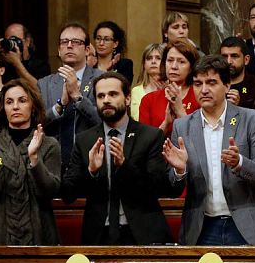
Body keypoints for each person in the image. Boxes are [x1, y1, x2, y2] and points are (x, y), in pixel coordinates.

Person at [162, 55, 255, 246]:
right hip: (202, 228)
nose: (204, 90)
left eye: (211, 82)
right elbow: (172, 188)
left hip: (248, 225)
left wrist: (240, 164)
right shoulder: (182, 126)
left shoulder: (252, 120)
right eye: (197, 84)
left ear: (227, 85)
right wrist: (179, 171)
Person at [61, 72, 175, 245]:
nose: (106, 100)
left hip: (142, 234)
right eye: (101, 96)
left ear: (128, 99)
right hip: (98, 235)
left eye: (113, 94)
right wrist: (91, 171)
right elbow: (67, 194)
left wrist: (124, 165)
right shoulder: (85, 140)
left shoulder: (150, 136)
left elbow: (158, 187)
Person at [0, 79, 61, 245]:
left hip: (39, 233)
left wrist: (34, 158)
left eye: (22, 100)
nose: (15, 106)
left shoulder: (49, 144)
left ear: (33, 106)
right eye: (9, 102)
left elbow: (49, 192)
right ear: (3, 108)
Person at [39, 23, 103, 174]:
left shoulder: (102, 79)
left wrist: (78, 98)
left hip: (91, 163)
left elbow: (106, 122)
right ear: (59, 50)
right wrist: (59, 105)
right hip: (52, 166)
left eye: (76, 42)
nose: (69, 46)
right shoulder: (44, 84)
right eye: (64, 42)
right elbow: (37, 123)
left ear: (87, 50)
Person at [139, 38, 200, 136]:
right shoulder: (148, 100)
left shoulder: (200, 96)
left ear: (191, 68)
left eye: (181, 62)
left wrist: (180, 112)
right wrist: (166, 124)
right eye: (170, 60)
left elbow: (202, 139)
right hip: (159, 151)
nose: (174, 66)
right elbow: (144, 144)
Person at [0, 22, 51, 88]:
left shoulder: (40, 65)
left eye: (15, 39)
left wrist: (17, 63)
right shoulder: (3, 66)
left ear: (27, 41)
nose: (12, 43)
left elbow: (40, 89)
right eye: (9, 41)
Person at [220, 36, 255, 109]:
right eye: (224, 56)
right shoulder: (213, 85)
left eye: (234, 56)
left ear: (246, 60)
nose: (229, 61)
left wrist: (239, 106)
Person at [130, 43, 165, 121]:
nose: (153, 61)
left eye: (158, 58)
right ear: (144, 64)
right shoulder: (136, 91)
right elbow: (137, 120)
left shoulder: (171, 89)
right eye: (149, 58)